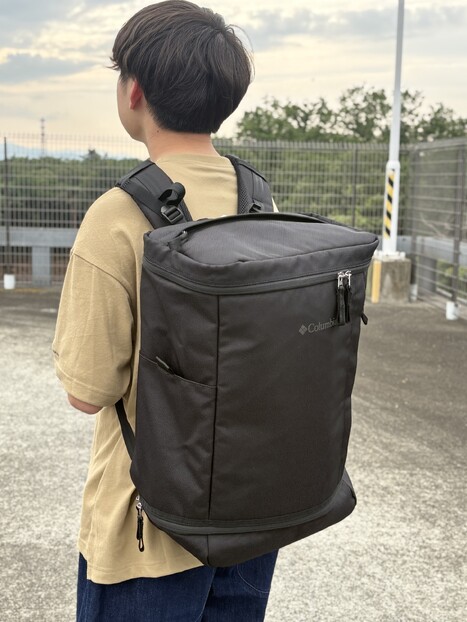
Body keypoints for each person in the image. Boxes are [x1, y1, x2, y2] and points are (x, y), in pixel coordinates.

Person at [52, 2, 278, 620]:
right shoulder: (258, 201)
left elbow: (87, 392)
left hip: (147, 531)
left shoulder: (117, 216)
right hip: (253, 514)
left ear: (134, 92)